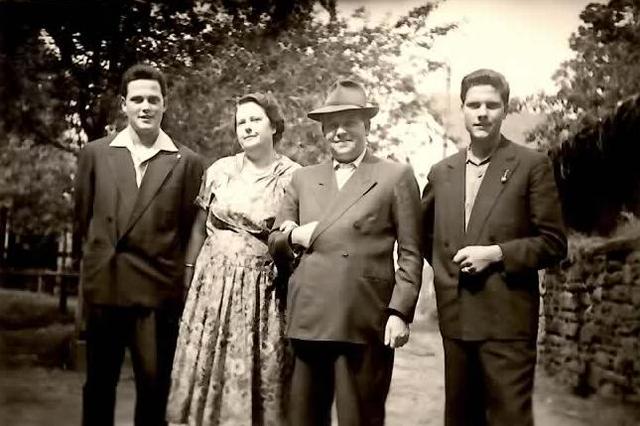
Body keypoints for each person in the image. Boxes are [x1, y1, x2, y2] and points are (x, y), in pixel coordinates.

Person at [269, 79, 423, 426]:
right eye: (331, 126)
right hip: (309, 317)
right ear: (323, 132)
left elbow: (411, 253)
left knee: (361, 419)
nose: (339, 132)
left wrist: (400, 312)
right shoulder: (304, 179)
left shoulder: (394, 175)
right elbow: (275, 243)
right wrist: (295, 234)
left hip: (364, 318)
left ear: (366, 126)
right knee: (304, 419)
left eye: (348, 124)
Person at [421, 68, 567, 426]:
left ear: (505, 109)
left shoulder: (532, 165)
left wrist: (496, 254)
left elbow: (553, 243)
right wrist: (447, 274)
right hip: (456, 322)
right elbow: (425, 237)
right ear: (462, 110)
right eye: (474, 105)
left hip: (508, 322)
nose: (482, 113)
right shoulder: (443, 172)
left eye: (492, 105)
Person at [75, 64, 204, 426]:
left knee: (154, 389)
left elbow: (187, 230)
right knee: (98, 387)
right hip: (105, 289)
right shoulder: (95, 154)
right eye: (137, 99)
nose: (145, 106)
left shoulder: (188, 162)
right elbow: (82, 220)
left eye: (153, 99)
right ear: (123, 104)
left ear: (165, 104)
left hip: (157, 292)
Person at [166, 92, 300, 426]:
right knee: (206, 364)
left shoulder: (294, 176)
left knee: (256, 368)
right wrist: (188, 276)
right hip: (211, 286)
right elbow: (199, 229)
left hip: (261, 292)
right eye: (241, 122)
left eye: (255, 119)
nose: (247, 127)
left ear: (274, 126)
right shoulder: (219, 170)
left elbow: (292, 239)